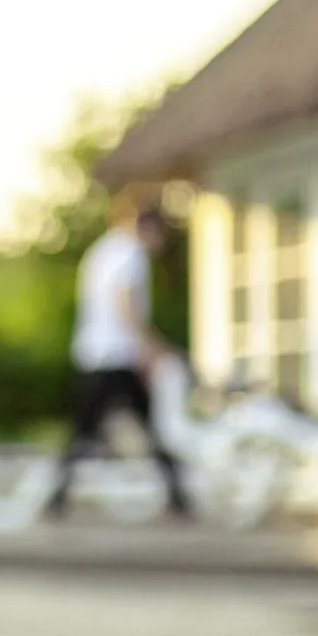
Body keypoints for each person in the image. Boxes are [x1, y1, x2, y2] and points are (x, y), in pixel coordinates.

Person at [46, 203, 191, 518]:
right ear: (151, 229)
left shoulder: (103, 249)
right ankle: (179, 496)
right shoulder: (130, 253)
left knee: (89, 430)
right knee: (140, 426)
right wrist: (150, 347)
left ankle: (178, 495)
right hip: (116, 355)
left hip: (95, 353)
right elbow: (124, 303)